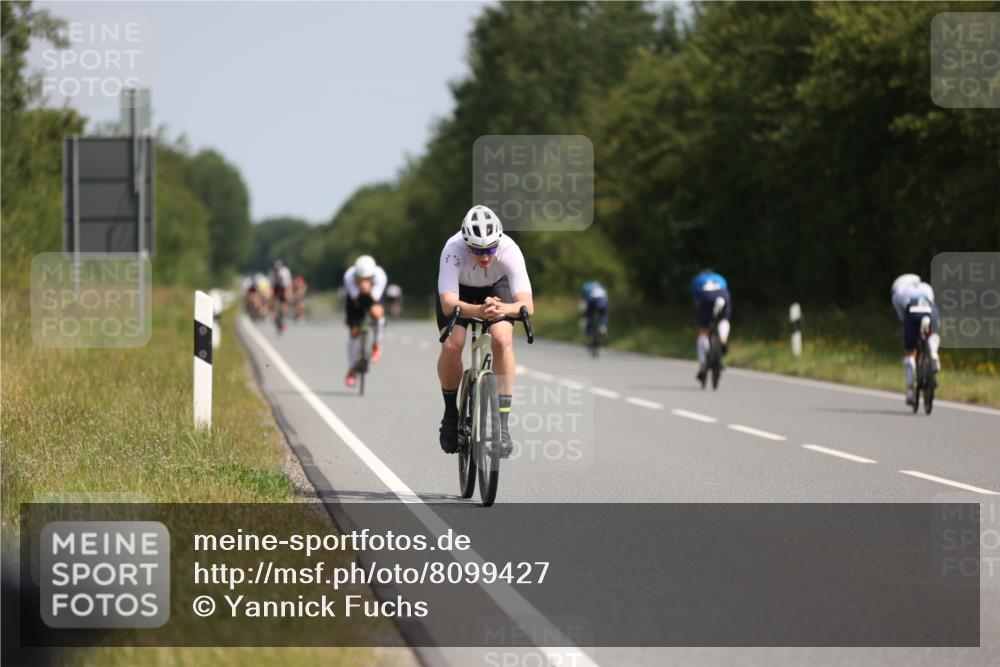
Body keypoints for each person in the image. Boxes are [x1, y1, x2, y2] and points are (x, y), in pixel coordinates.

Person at [437, 205, 533, 457]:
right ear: (466, 243)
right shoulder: (452, 250)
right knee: (452, 344)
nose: (484, 256)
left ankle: (501, 425)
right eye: (477, 250)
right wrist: (479, 311)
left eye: (490, 249)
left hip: (496, 289)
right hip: (460, 292)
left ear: (497, 242)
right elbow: (448, 304)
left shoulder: (509, 250)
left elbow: (527, 305)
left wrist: (503, 307)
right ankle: (450, 414)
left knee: (502, 340)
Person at [891, 274, 941, 406]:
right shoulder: (926, 287)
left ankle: (910, 391)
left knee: (910, 351)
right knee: (933, 333)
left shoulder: (898, 293)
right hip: (930, 311)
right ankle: (934, 355)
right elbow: (931, 302)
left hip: (912, 312)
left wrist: (908, 331)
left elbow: (902, 317)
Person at [343, 255, 387, 387]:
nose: (364, 280)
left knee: (377, 315)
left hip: (372, 296)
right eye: (361, 278)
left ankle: (377, 344)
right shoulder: (349, 276)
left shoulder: (380, 275)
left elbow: (374, 299)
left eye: (367, 278)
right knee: (354, 333)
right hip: (355, 300)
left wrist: (368, 289)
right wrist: (362, 289)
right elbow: (356, 299)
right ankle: (351, 370)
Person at [691, 268, 731, 384]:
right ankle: (722, 341)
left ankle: (704, 361)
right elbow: (725, 288)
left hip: (705, 296)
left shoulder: (697, 280)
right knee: (724, 319)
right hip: (723, 295)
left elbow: (697, 301)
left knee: (703, 332)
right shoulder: (719, 277)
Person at [270, 259, 293, 330]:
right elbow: (273, 285)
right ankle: (277, 318)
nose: (278, 270)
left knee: (284, 305)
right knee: (276, 305)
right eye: (277, 268)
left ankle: (283, 319)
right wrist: (272, 295)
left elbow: (288, 284)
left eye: (279, 268)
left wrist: (289, 293)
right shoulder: (273, 273)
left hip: (284, 288)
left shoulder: (285, 272)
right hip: (277, 289)